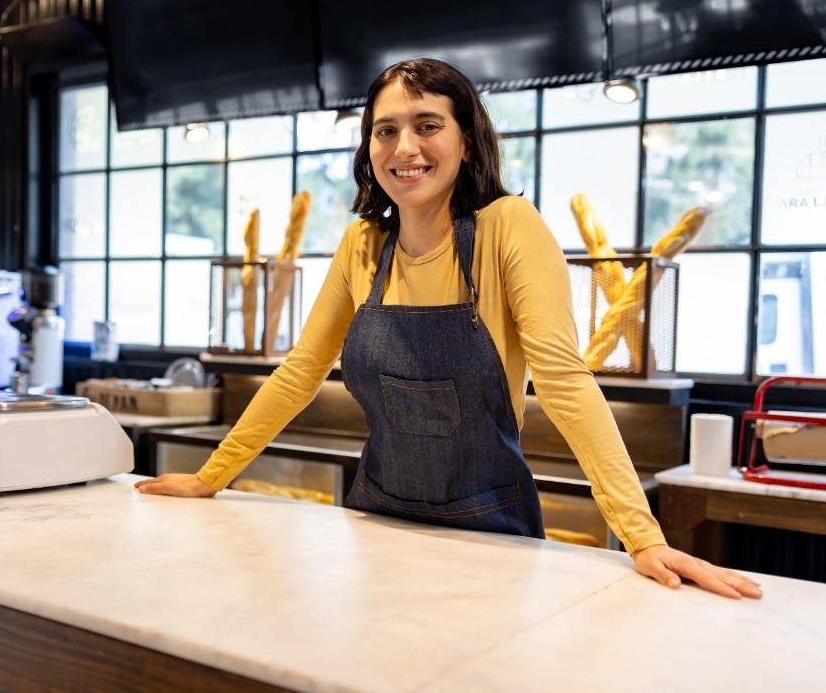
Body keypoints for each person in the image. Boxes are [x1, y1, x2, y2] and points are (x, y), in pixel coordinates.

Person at [135, 58, 762, 600]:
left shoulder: (508, 228)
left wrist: (642, 537)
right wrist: (209, 476)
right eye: (386, 131)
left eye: (427, 125)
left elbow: (565, 382)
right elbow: (302, 371)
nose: (404, 147)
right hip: (376, 518)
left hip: (490, 530)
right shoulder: (361, 245)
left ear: (467, 141)